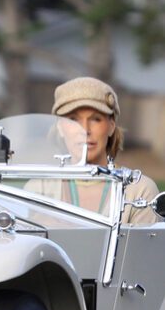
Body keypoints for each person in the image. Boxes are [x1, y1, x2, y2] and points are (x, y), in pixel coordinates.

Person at [50, 76, 159, 225]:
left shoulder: (139, 192)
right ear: (60, 127)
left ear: (111, 126)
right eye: (73, 119)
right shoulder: (38, 188)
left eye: (96, 119)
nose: (84, 130)